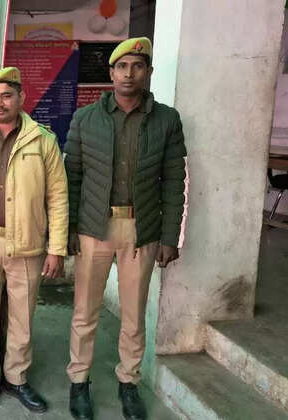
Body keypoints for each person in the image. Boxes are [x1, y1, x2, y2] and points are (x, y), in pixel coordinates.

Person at [64, 37, 187, 420]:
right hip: (93, 227)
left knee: (134, 313)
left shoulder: (166, 120)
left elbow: (174, 180)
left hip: (142, 227)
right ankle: (79, 380)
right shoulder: (85, 118)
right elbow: (72, 177)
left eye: (137, 66)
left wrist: (170, 237)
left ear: (148, 72)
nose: (129, 73)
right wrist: (68, 230)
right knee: (85, 310)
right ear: (111, 73)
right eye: (122, 66)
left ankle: (128, 382)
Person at [0, 67, 69, 416]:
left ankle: (17, 378)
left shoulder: (42, 140)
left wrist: (57, 248)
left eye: (6, 96)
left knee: (22, 319)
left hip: (27, 245)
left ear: (21, 98)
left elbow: (58, 196)